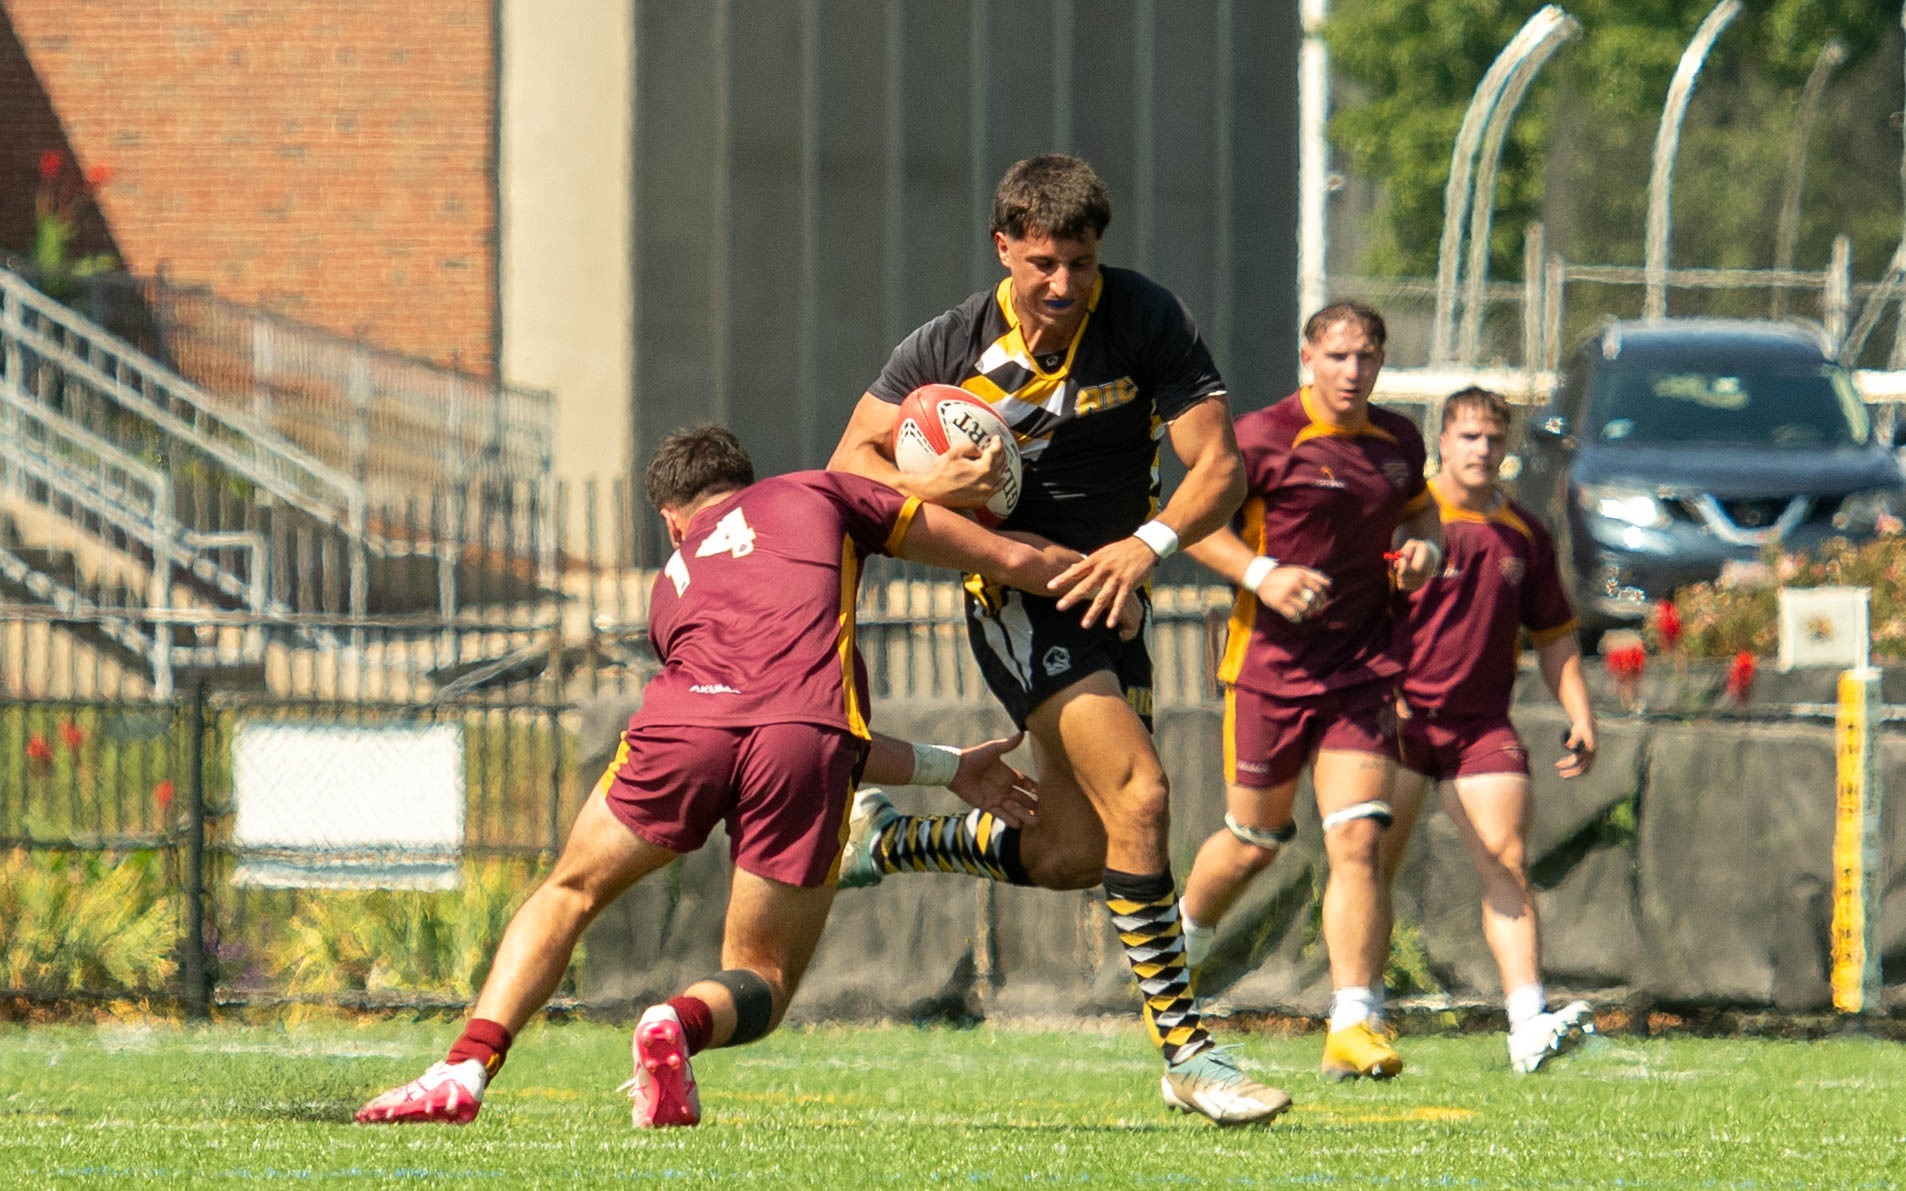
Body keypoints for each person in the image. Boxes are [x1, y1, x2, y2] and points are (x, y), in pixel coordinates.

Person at [356, 423, 1077, 1128]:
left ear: (673, 522)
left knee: (568, 890)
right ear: (747, 482)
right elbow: (998, 562)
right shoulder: (818, 492)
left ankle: (464, 1065)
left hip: (680, 729)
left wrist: (948, 769)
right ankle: (677, 1020)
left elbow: (747, 710)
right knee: (762, 973)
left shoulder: (670, 584)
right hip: (802, 737)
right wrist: (1109, 575)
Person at [827, 153, 1290, 1125]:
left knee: (1079, 850)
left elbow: (1221, 470)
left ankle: (890, 840)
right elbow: (848, 466)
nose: (1062, 285)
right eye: (1041, 263)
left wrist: (1145, 546)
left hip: (1115, 592)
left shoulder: (1143, 316)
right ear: (1003, 248)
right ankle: (1187, 1054)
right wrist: (928, 492)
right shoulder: (950, 345)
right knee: (1145, 794)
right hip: (1016, 594)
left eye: (1079, 262)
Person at [1174, 301, 1443, 1082]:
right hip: (1269, 671)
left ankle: (1355, 1021)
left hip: (1362, 669)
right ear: (1308, 357)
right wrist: (1263, 573)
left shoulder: (1398, 440)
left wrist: (1425, 549)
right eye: (1338, 355)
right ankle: (1175, 950)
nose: (1353, 371)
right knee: (1254, 842)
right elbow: (1193, 523)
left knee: (1358, 837)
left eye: (1367, 356)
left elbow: (1422, 509)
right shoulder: (1260, 437)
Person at [1378, 387, 1597, 1074]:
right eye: (1469, 436)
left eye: (1494, 439)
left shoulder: (1524, 533)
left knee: (1505, 861)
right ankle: (1357, 1013)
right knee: (1368, 869)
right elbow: (1358, 613)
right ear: (1441, 441)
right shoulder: (1404, 521)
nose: (1482, 450)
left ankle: (1528, 1023)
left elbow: (1556, 634)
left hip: (1481, 727)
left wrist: (1580, 713)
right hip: (1400, 722)